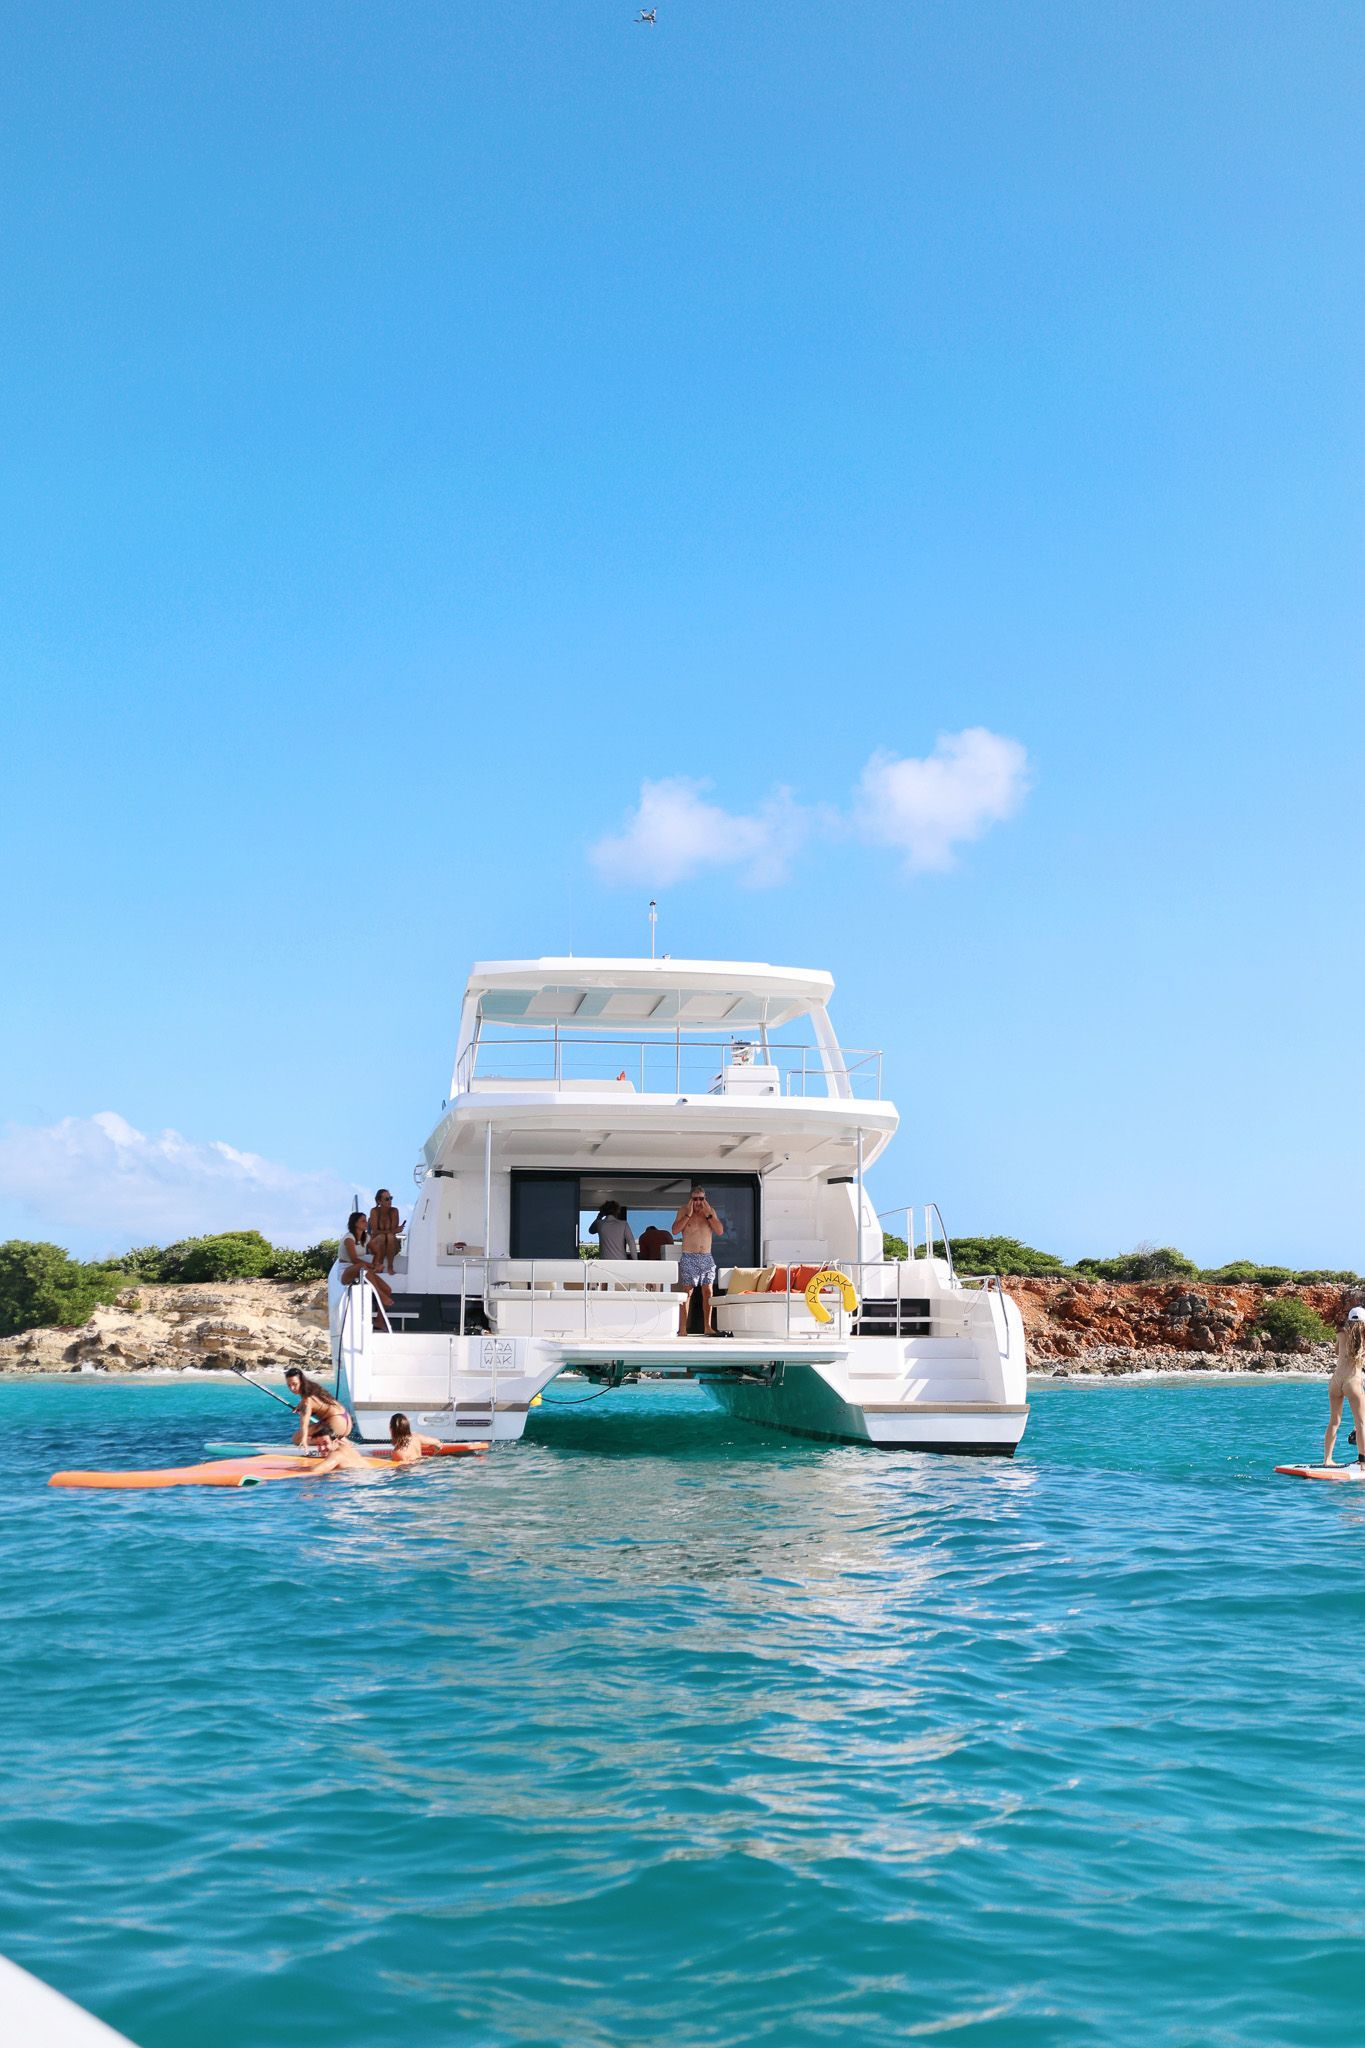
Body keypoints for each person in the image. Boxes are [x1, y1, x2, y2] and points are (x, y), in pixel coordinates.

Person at [672, 1186, 723, 1335]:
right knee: (687, 1291)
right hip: (689, 1255)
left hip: (706, 1256)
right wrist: (688, 1215)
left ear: (705, 1199)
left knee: (708, 1291)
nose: (698, 1202)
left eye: (701, 1199)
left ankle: (707, 1326)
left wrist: (709, 1216)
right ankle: (683, 1328)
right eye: (695, 1199)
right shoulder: (683, 1211)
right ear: (691, 1199)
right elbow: (675, 1230)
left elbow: (719, 1231)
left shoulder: (710, 1212)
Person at [1323, 1306, 1365, 1467]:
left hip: (1335, 1381)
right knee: (1361, 1423)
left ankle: (1327, 1460)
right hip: (1352, 1381)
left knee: (1334, 1421)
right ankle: (1363, 1464)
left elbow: (1336, 1352)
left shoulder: (1341, 1334)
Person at [284, 1367, 354, 1447]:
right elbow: (312, 1400)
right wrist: (300, 1406)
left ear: (302, 1382)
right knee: (317, 1429)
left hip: (335, 1424)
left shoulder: (307, 1401)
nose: (292, 1388)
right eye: (289, 1385)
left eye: (294, 1384)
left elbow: (304, 1423)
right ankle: (339, 1440)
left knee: (296, 1438)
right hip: (346, 1420)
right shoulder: (314, 1387)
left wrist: (304, 1440)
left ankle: (336, 1442)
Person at [339, 1210, 394, 1311]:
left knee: (388, 1289)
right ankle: (380, 1294)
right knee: (362, 1267)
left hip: (362, 1269)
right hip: (345, 1271)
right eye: (363, 1221)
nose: (366, 1223)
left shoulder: (366, 1237)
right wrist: (373, 1266)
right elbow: (354, 1259)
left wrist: (375, 1264)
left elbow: (377, 1252)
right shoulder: (349, 1238)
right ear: (355, 1223)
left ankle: (380, 1321)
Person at [308, 1427, 387, 1478]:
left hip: (362, 1483)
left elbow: (315, 1470)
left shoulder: (336, 1455)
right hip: (375, 1476)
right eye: (318, 1444)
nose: (321, 1448)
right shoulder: (347, 1447)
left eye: (325, 1443)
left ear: (335, 1441)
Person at [366, 1189, 403, 1276]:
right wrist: (394, 1231)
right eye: (387, 1199)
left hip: (391, 1244)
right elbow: (375, 1232)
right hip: (377, 1244)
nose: (390, 1201)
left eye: (391, 1198)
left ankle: (390, 1266)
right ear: (379, 1201)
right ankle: (380, 1264)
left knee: (389, 1236)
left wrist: (391, 1232)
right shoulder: (374, 1211)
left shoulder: (394, 1211)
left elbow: (392, 1233)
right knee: (383, 1237)